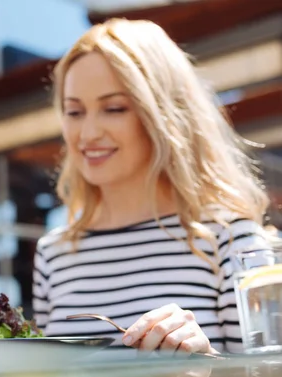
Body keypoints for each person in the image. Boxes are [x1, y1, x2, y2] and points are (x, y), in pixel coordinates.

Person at [33, 18, 272, 355]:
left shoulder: (230, 239)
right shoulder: (52, 254)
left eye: (113, 108)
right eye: (74, 112)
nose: (87, 134)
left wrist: (204, 367)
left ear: (163, 115)